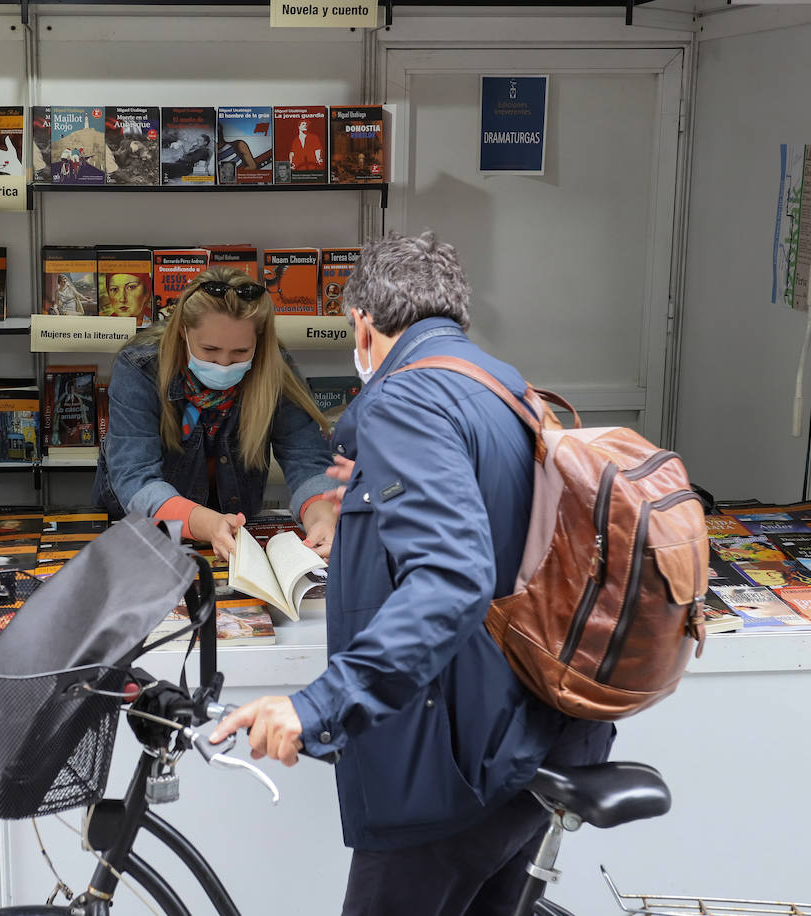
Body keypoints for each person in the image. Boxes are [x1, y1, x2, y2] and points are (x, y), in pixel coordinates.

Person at [213, 232, 614, 915]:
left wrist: (313, 707)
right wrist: (370, 505)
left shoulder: (408, 401)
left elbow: (450, 578)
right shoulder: (502, 386)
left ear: (364, 324)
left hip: (458, 764)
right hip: (534, 737)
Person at [93, 267, 337, 559]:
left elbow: (306, 457)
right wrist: (204, 523)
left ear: (259, 342)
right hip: (143, 530)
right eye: (209, 349)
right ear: (183, 331)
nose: (223, 364)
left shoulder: (273, 368)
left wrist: (322, 516)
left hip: (234, 531)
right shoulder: (140, 367)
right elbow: (134, 475)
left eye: (240, 352)